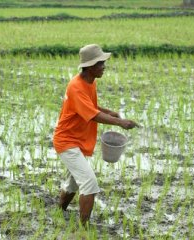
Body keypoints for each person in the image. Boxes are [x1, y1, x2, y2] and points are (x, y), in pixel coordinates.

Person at [53, 44, 139, 227]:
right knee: (89, 183)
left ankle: (59, 212)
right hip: (67, 141)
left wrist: (111, 112)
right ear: (90, 66)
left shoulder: (90, 82)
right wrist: (121, 122)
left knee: (73, 182)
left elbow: (91, 107)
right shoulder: (76, 86)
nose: (104, 67)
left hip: (77, 140)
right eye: (100, 63)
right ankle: (84, 228)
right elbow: (94, 115)